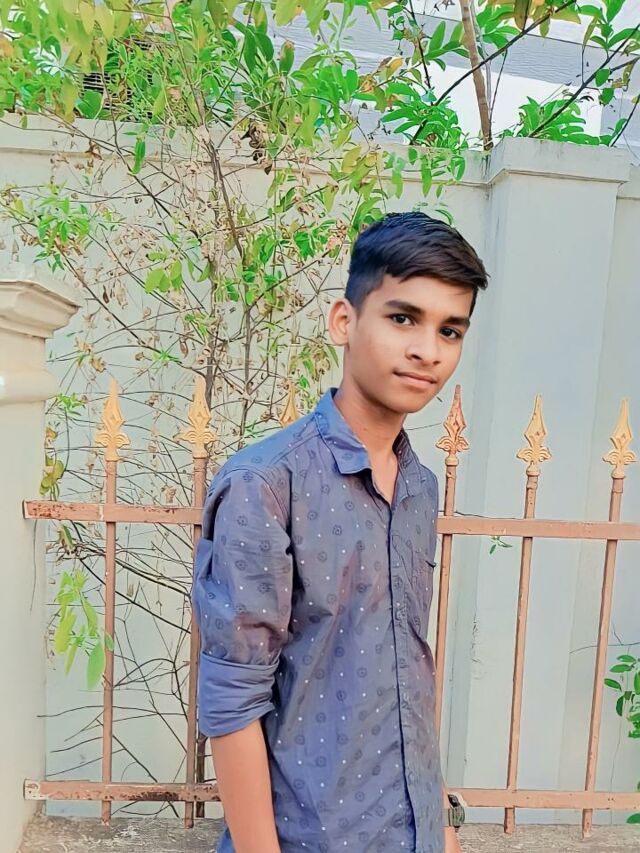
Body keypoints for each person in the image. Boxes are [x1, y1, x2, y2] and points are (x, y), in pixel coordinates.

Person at [193, 211, 488, 853]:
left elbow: (402, 669)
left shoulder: (418, 485)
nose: (428, 350)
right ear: (344, 322)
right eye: (403, 318)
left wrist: (440, 826)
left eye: (450, 330)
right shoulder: (265, 484)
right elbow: (233, 698)